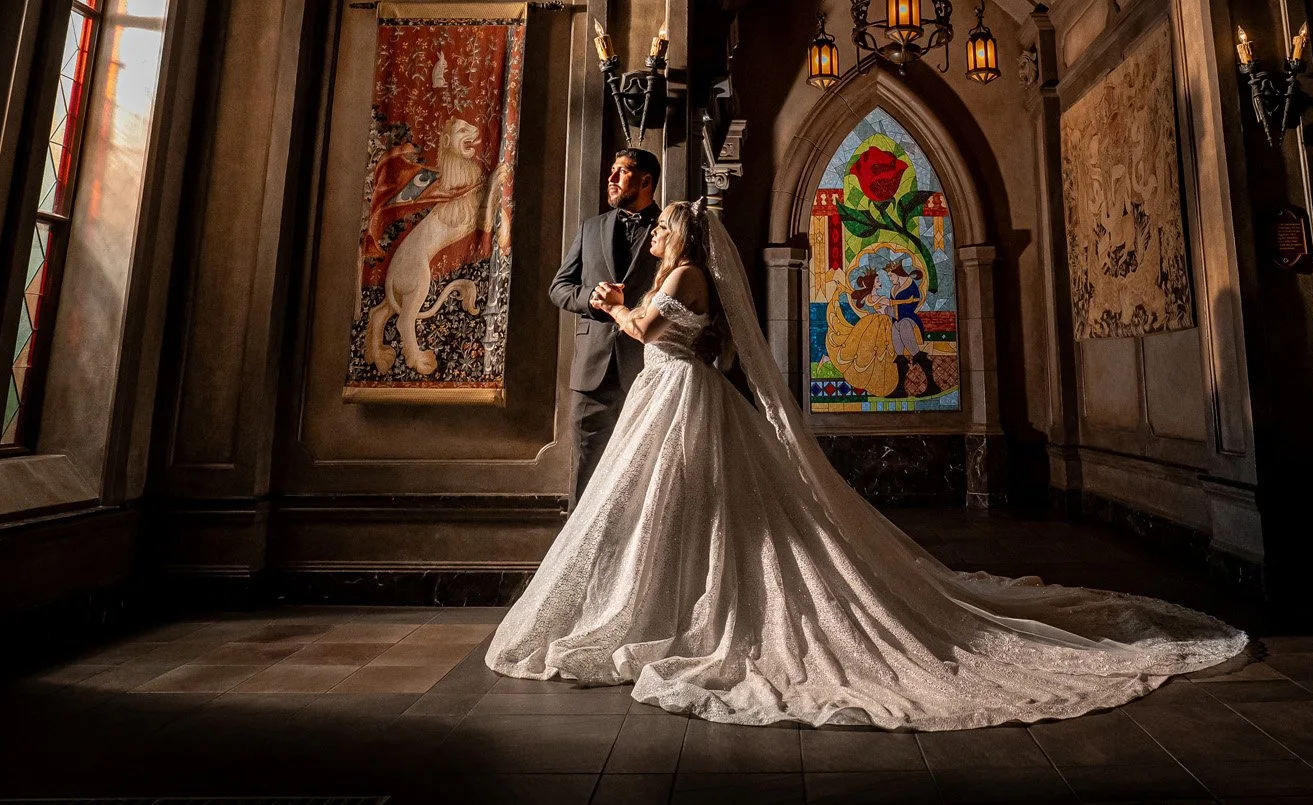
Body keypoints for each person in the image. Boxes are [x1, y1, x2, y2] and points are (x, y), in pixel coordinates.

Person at [490, 200, 1249, 730]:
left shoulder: (684, 276)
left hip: (678, 397)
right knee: (672, 510)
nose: (653, 232)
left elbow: (649, 329)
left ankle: (683, 612)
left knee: (695, 508)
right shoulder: (678, 275)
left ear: (682, 234)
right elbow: (691, 339)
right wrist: (633, 305)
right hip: (669, 395)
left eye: (661, 225)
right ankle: (664, 605)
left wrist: (620, 305)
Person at [547, 147, 661, 495]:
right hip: (591, 373)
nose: (610, 179)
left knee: (644, 474)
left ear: (645, 180)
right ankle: (579, 551)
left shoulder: (669, 230)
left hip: (648, 368)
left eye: (621, 171)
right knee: (586, 471)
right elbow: (559, 287)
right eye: (611, 170)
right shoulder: (591, 228)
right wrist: (592, 300)